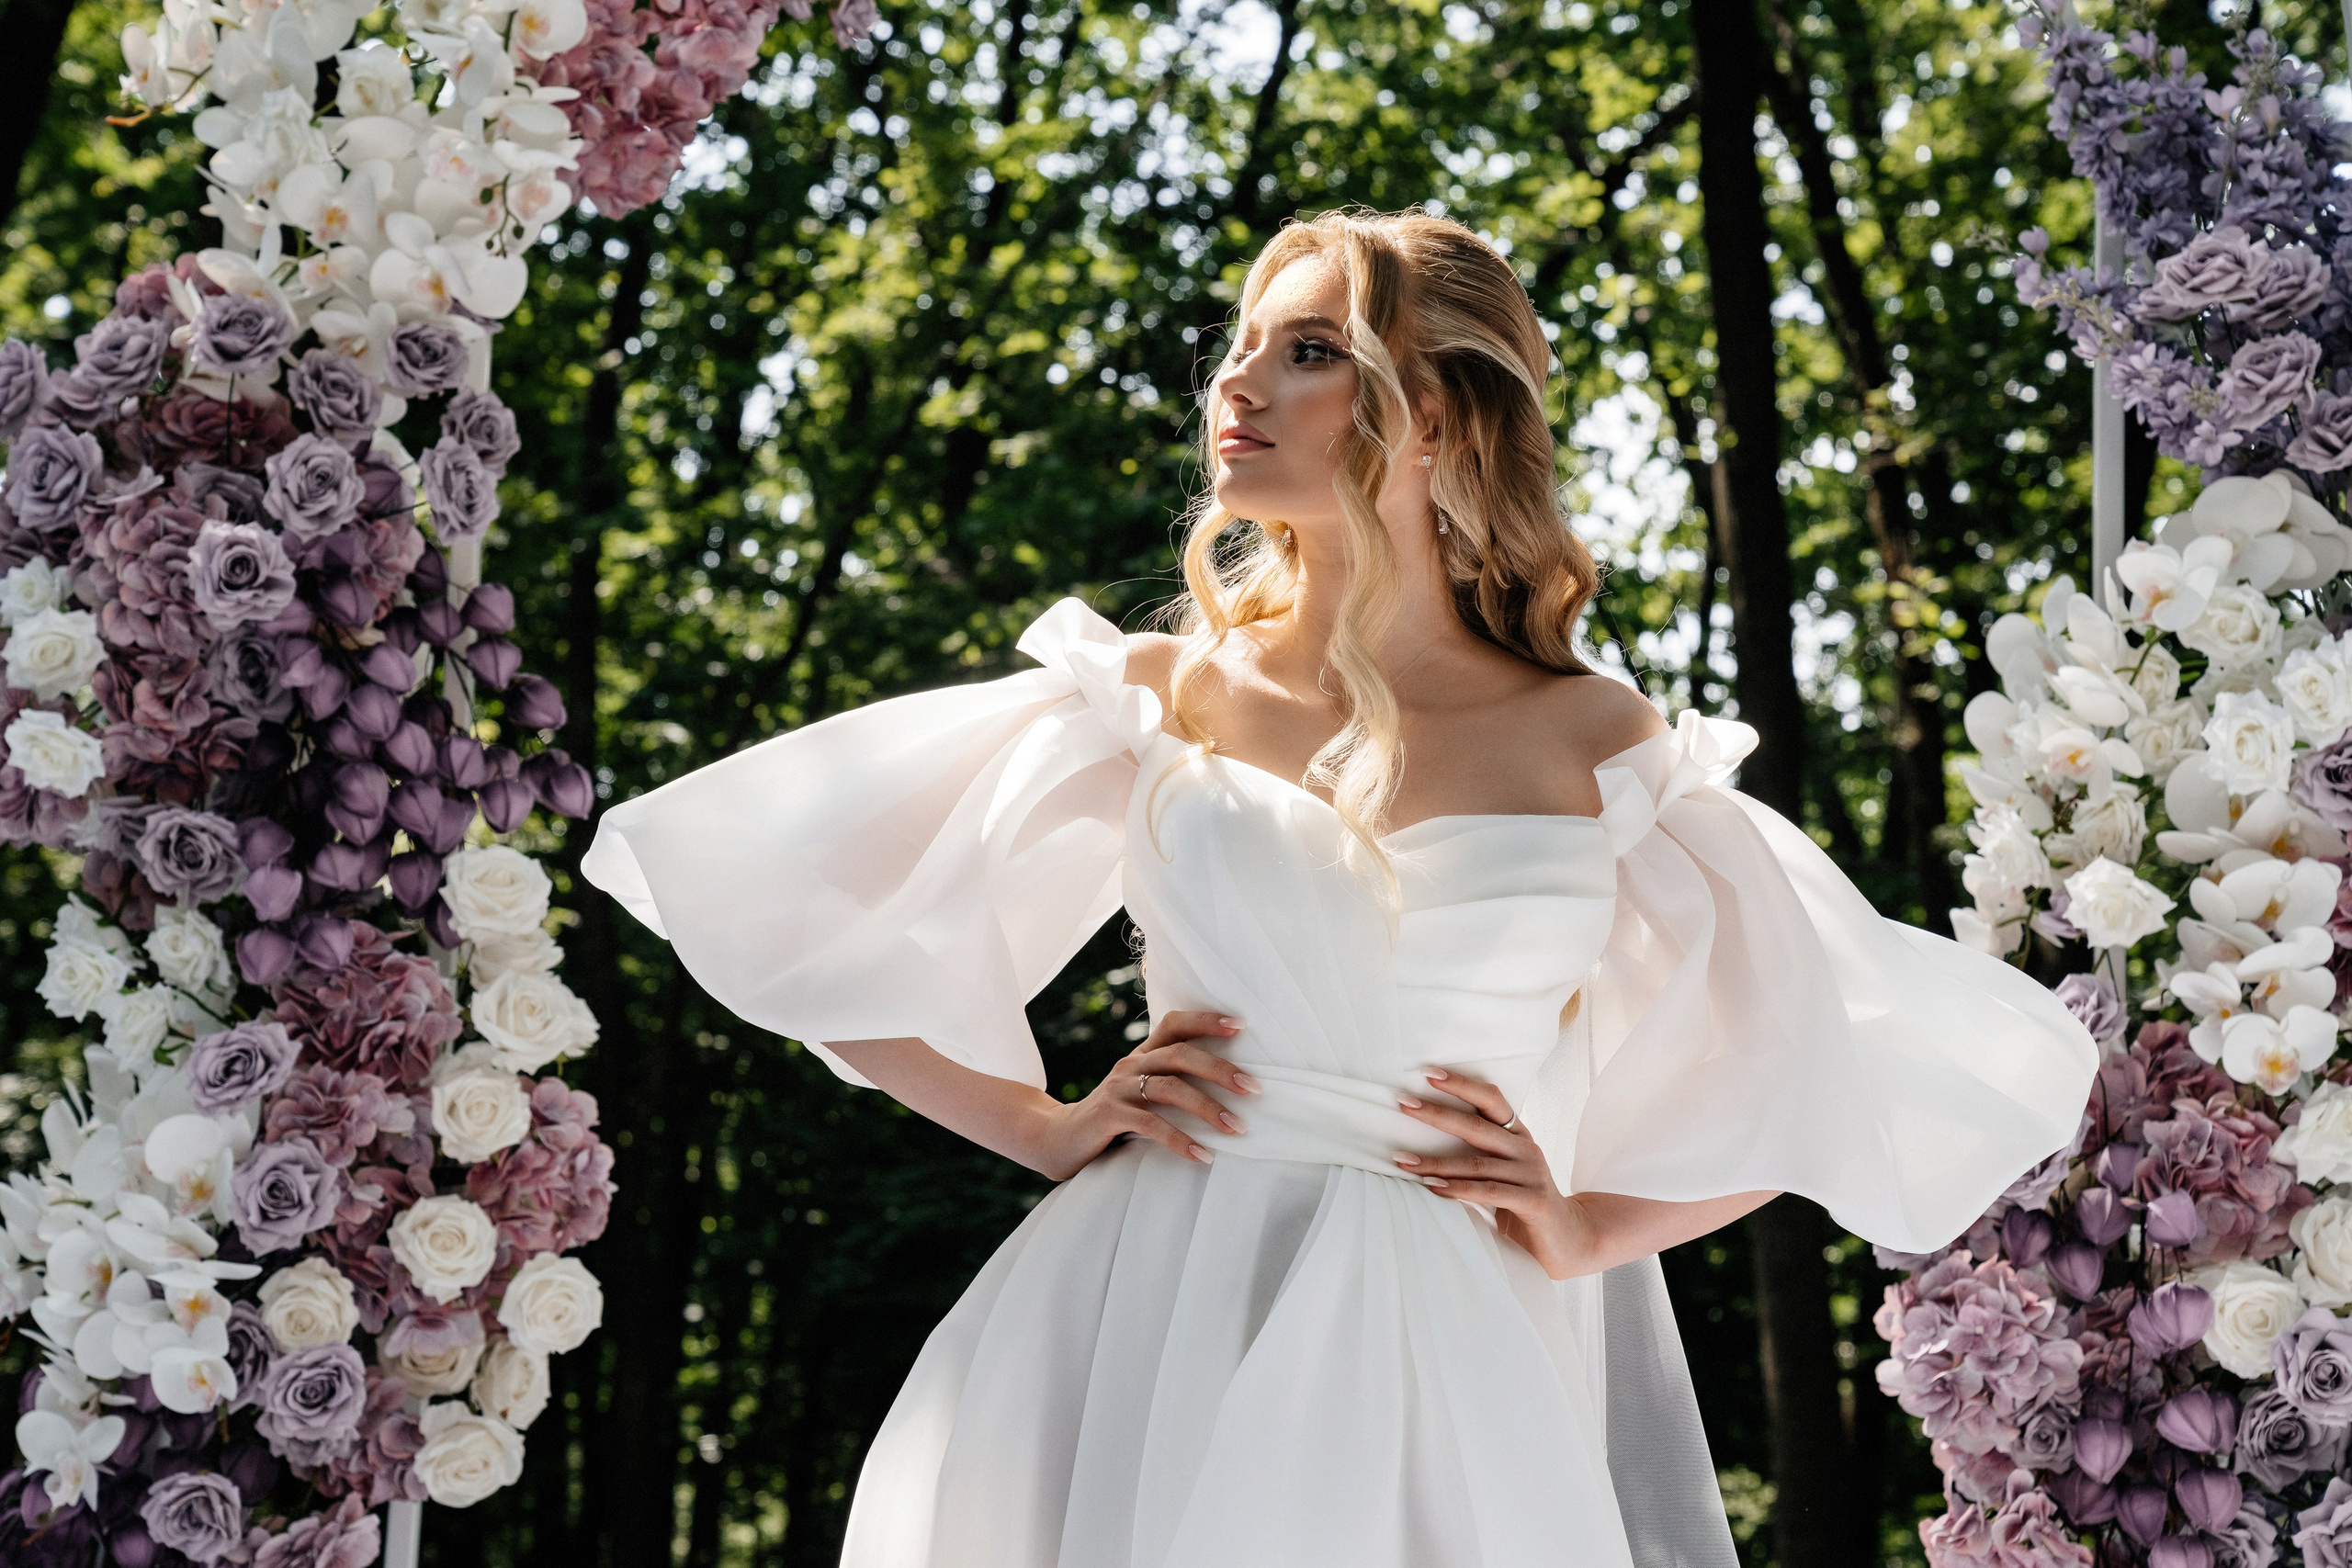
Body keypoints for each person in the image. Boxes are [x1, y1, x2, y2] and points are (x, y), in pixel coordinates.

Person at [581, 207, 2100, 1568]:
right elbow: (802, 894)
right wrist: (1040, 1124)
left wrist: (1586, 1227)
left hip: (1449, 1345)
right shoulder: (1158, 694)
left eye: (1306, 351)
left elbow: (1831, 1051)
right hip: (1143, 1303)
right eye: (1236, 349)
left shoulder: (1598, 740)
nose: (1235, 387)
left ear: (1430, 414)